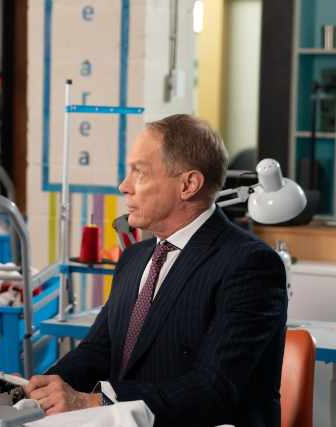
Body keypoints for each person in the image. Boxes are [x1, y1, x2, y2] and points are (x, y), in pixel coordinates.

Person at [25, 114, 288, 427]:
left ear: (188, 185)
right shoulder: (134, 258)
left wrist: (92, 401)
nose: (124, 186)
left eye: (139, 172)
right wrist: (42, 390)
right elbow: (98, 350)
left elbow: (213, 389)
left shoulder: (250, 264)